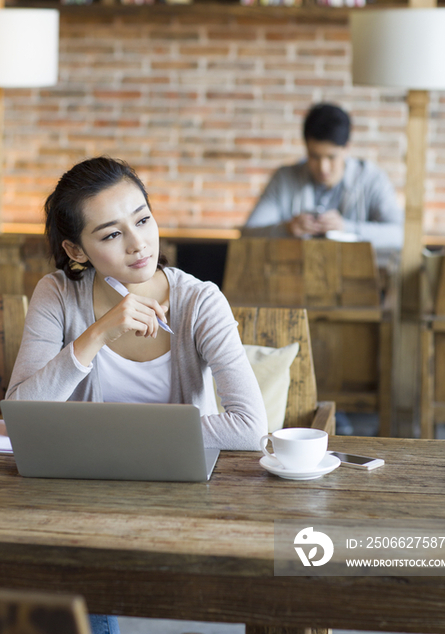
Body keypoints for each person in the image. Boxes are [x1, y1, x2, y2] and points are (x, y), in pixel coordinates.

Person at [5, 156, 268, 634]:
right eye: (110, 234)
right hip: (84, 498)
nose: (138, 243)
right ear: (76, 249)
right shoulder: (57, 293)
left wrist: (117, 438)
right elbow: (20, 417)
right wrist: (99, 332)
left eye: (142, 219)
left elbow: (250, 427)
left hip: (183, 493)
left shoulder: (199, 301)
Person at [242, 103, 403, 249]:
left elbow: (399, 235)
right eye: (314, 156)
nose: (323, 167)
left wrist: (347, 228)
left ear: (347, 148)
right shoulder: (285, 178)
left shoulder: (372, 179)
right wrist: (286, 229)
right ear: (306, 147)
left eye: (331, 157)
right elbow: (247, 234)